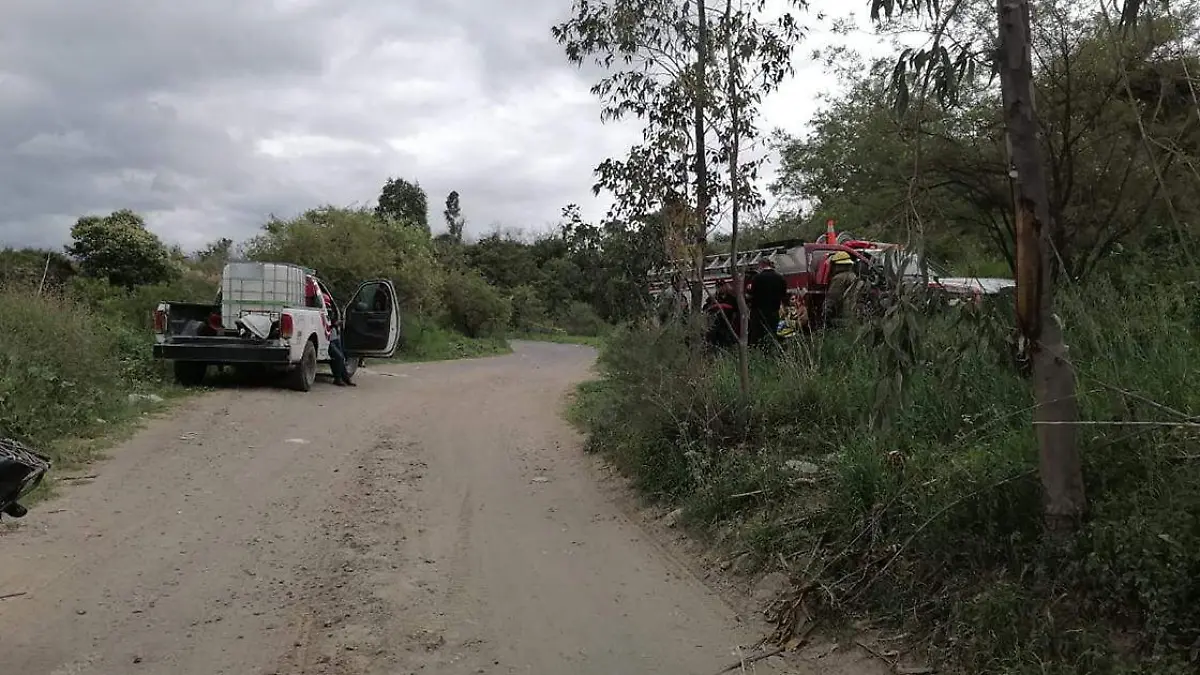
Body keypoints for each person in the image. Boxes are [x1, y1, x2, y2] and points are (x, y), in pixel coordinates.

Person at [747, 258, 787, 348]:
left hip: (759, 312)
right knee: (772, 333)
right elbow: (783, 294)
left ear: (761, 265)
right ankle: (772, 350)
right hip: (774, 311)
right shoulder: (780, 278)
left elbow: (751, 295)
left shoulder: (757, 278)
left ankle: (759, 351)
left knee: (758, 335)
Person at [822, 251, 858, 327]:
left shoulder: (839, 278)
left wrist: (826, 313)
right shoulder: (853, 276)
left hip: (844, 316)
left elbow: (832, 298)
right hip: (853, 314)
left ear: (837, 265)